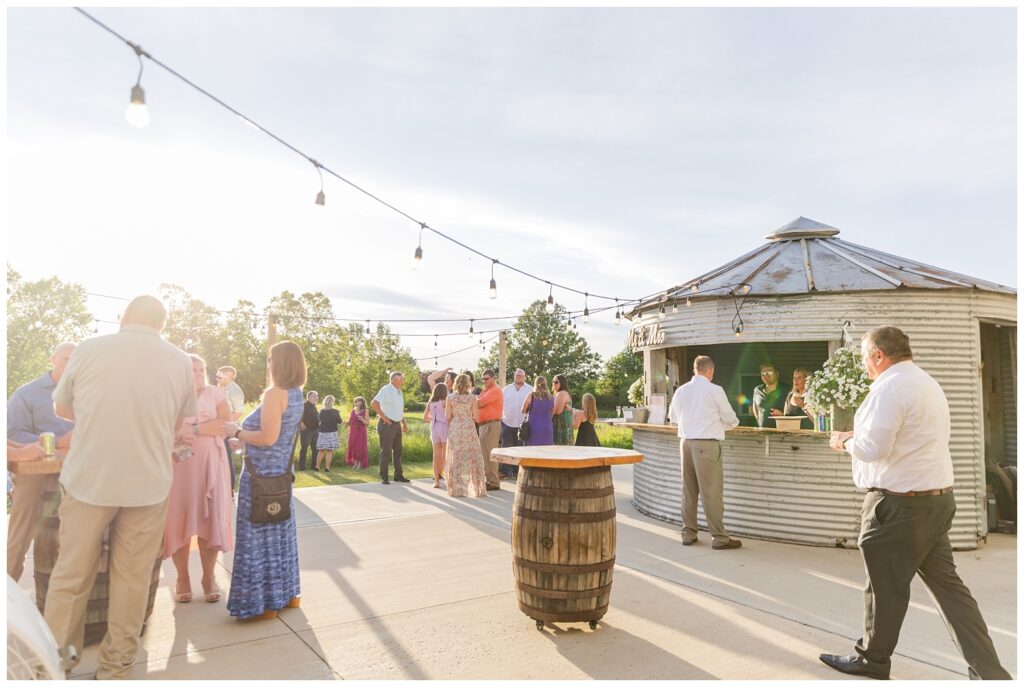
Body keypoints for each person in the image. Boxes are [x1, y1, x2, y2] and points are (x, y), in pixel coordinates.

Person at [819, 326, 1010, 680]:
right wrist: (857, 437)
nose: (864, 365)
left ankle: (873, 660)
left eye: (865, 358)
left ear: (879, 355)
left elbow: (874, 448)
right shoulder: (925, 383)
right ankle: (990, 674)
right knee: (951, 593)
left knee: (882, 588)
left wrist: (842, 442)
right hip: (934, 502)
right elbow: (906, 437)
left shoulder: (889, 388)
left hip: (898, 508)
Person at [44, 295, 196, 679]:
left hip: (89, 479)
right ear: (162, 324)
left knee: (71, 577)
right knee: (132, 581)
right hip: (148, 483)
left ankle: (60, 662)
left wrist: (97, 415)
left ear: (123, 316)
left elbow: (62, 408)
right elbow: (181, 419)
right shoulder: (179, 360)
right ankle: (115, 669)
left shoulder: (89, 349)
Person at [224, 340, 306, 621]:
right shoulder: (297, 393)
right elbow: (278, 437)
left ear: (279, 363)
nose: (267, 364)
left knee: (256, 538)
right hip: (280, 476)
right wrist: (245, 442)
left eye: (270, 359)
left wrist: (236, 432)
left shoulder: (274, 394)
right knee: (281, 536)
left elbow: (268, 437)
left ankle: (263, 604)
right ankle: (287, 595)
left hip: (260, 477)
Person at [163, 354, 233, 604]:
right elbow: (163, 426)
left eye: (201, 368)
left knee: (210, 517)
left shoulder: (216, 393)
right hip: (180, 463)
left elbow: (225, 424)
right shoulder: (171, 395)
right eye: (193, 369)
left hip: (211, 462)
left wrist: (192, 429)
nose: (198, 372)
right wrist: (203, 426)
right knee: (179, 517)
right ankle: (182, 578)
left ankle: (208, 577)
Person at [7, 341, 75, 582]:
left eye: (76, 359)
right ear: (52, 359)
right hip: (35, 470)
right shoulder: (27, 393)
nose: (71, 364)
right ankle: (9, 585)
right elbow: (13, 433)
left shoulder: (88, 391)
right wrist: (57, 441)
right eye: (67, 358)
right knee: (22, 526)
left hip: (78, 469)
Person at [667, 355, 742, 550]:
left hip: (685, 444)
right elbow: (730, 418)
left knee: (688, 491)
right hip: (706, 445)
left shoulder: (681, 391)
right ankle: (719, 538)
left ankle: (688, 533)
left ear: (695, 370)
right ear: (711, 371)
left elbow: (673, 418)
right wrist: (721, 425)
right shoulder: (715, 390)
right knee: (712, 492)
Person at [444, 373, 487, 498]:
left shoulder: (450, 398)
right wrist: (469, 416)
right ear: (468, 384)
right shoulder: (472, 398)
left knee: (456, 457)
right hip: (469, 428)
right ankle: (475, 488)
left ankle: (456, 489)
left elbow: (447, 416)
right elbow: (477, 417)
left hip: (455, 428)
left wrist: (456, 418)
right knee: (472, 456)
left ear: (456, 383)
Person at [372, 372, 409, 484]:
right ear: (394, 380)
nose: (403, 382)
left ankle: (398, 476)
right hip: (387, 425)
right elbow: (374, 403)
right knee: (386, 451)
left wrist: (404, 423)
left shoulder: (399, 391)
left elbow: (399, 409)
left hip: (397, 424)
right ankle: (384, 477)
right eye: (401, 379)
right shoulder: (386, 389)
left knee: (398, 451)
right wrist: (384, 417)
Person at [216, 365, 245, 492]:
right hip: (220, 429)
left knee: (226, 459)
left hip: (227, 430)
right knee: (220, 459)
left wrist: (224, 427)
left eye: (219, 376)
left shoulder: (235, 390)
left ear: (228, 376)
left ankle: (230, 490)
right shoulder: (221, 388)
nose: (217, 378)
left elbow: (238, 412)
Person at [499, 369, 532, 480]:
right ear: (514, 376)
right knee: (506, 448)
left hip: (523, 424)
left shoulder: (530, 389)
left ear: (525, 377)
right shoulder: (506, 389)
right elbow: (500, 405)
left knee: (520, 449)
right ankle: (504, 472)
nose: (518, 377)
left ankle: (519, 473)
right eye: (517, 375)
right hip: (507, 422)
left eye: (521, 376)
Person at [476, 369, 503, 491]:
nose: (484, 381)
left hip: (490, 425)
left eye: (486, 378)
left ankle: (493, 482)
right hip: (485, 425)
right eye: (483, 379)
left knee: (490, 454)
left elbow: (480, 403)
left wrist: (472, 399)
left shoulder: (495, 390)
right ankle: (490, 480)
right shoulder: (486, 390)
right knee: (486, 454)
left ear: (493, 378)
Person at [423, 384, 449, 488]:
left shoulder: (431, 402)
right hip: (444, 427)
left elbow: (425, 417)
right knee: (445, 455)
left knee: (436, 455)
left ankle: (436, 481)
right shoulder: (445, 402)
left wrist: (434, 418)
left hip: (434, 428)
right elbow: (449, 416)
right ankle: (448, 479)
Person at [752, 362, 790, 428]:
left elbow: (793, 412)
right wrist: (758, 420)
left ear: (777, 374)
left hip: (781, 433)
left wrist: (783, 415)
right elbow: (755, 406)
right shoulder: (757, 390)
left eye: (769, 372)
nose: (766, 375)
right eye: (763, 373)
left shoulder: (787, 389)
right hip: (762, 432)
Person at [521, 376, 555, 446]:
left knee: (531, 451)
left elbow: (523, 410)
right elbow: (552, 413)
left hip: (533, 427)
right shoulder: (551, 397)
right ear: (546, 384)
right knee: (546, 451)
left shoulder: (531, 396)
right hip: (547, 428)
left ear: (535, 384)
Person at [315, 395, 343, 472]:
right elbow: (339, 421)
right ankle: (327, 467)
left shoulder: (321, 411)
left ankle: (317, 466)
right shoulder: (335, 411)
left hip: (323, 433)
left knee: (321, 451)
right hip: (332, 433)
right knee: (329, 451)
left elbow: (319, 422)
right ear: (332, 402)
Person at [297, 391, 319, 471]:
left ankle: (314, 466)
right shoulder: (304, 405)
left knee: (316, 449)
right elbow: (298, 415)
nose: (316, 398)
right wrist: (301, 423)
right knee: (304, 449)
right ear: (309, 397)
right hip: (307, 431)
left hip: (315, 431)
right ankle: (302, 467)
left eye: (317, 396)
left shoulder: (314, 407)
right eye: (314, 396)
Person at [346, 397, 370, 469]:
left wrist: (362, 419)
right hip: (353, 431)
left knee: (360, 447)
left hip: (361, 431)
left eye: (358, 401)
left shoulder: (365, 411)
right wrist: (345, 423)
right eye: (355, 401)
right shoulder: (353, 410)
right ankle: (355, 462)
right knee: (353, 446)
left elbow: (367, 423)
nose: (356, 402)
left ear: (362, 402)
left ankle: (359, 463)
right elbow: (350, 421)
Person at [552, 374, 574, 445]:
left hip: (561, 427)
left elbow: (557, 411)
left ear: (562, 383)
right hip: (562, 425)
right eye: (553, 382)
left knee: (560, 451)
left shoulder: (561, 393)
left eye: (556, 382)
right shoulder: (560, 393)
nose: (553, 384)